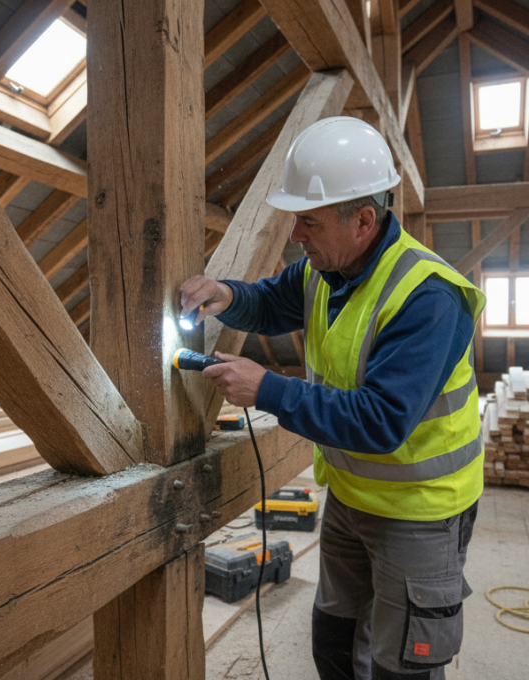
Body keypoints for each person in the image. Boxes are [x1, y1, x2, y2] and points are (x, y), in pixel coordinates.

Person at [179, 117, 485, 680]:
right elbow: (272, 301)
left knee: (403, 669)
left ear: (364, 220)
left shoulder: (429, 297)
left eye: (309, 221)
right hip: (350, 498)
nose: (298, 233)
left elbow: (382, 421)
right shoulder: (329, 267)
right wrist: (226, 294)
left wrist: (267, 389)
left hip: (420, 514)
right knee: (336, 646)